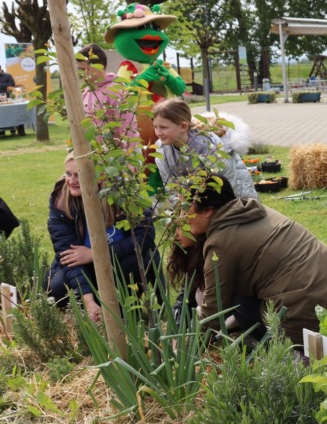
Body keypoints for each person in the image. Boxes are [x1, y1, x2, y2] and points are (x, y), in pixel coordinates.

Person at [189, 174, 327, 342]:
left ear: (209, 211)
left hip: (311, 315)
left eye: (185, 209)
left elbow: (214, 310)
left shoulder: (220, 243)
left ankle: (293, 349)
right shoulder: (256, 211)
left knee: (238, 301)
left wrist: (185, 346)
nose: (181, 217)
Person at [47, 153, 158, 322]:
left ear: (100, 176)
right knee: (59, 286)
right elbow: (68, 256)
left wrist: (96, 254)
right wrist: (88, 300)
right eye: (68, 174)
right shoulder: (61, 201)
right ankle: (89, 318)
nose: (71, 181)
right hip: (83, 267)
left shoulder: (124, 193)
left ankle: (125, 315)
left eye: (78, 175)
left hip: (118, 260)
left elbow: (145, 237)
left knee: (136, 263)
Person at [152, 97, 258, 200]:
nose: (158, 133)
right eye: (155, 127)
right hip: (197, 203)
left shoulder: (207, 147)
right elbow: (171, 187)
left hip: (233, 199)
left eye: (163, 127)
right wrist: (179, 212)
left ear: (183, 127)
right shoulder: (162, 150)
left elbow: (228, 185)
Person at [78, 44, 138, 149]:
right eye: (80, 70)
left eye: (85, 69)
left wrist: (128, 158)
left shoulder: (116, 90)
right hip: (97, 154)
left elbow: (129, 128)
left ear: (99, 67)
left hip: (117, 156)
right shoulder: (86, 91)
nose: (81, 74)